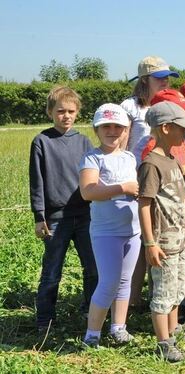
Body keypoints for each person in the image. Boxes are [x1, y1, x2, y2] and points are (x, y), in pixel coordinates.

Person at [136, 101, 185, 362]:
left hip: (178, 239)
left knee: (176, 289)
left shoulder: (173, 160)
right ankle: (163, 344)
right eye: (181, 128)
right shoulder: (151, 164)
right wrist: (150, 243)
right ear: (165, 128)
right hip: (162, 241)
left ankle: (173, 333)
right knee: (163, 294)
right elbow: (145, 204)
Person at [29, 86, 97, 331]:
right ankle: (45, 320)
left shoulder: (84, 141)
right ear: (50, 112)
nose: (65, 116)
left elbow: (94, 176)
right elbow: (37, 182)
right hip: (56, 218)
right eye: (60, 111)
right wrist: (39, 216)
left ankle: (91, 310)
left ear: (77, 112)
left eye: (70, 111)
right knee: (52, 271)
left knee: (92, 267)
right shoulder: (42, 141)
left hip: (86, 214)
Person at [80, 104, 140, 348]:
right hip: (106, 232)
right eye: (107, 126)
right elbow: (88, 191)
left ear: (126, 130)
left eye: (118, 127)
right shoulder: (93, 158)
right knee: (108, 282)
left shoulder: (129, 157)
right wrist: (121, 188)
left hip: (132, 231)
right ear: (97, 129)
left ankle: (118, 328)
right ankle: (92, 335)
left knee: (125, 281)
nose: (113, 131)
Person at [122, 56, 179, 160]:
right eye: (159, 77)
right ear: (144, 79)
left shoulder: (171, 106)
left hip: (164, 168)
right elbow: (121, 146)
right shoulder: (130, 106)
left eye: (166, 77)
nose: (165, 81)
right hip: (138, 170)